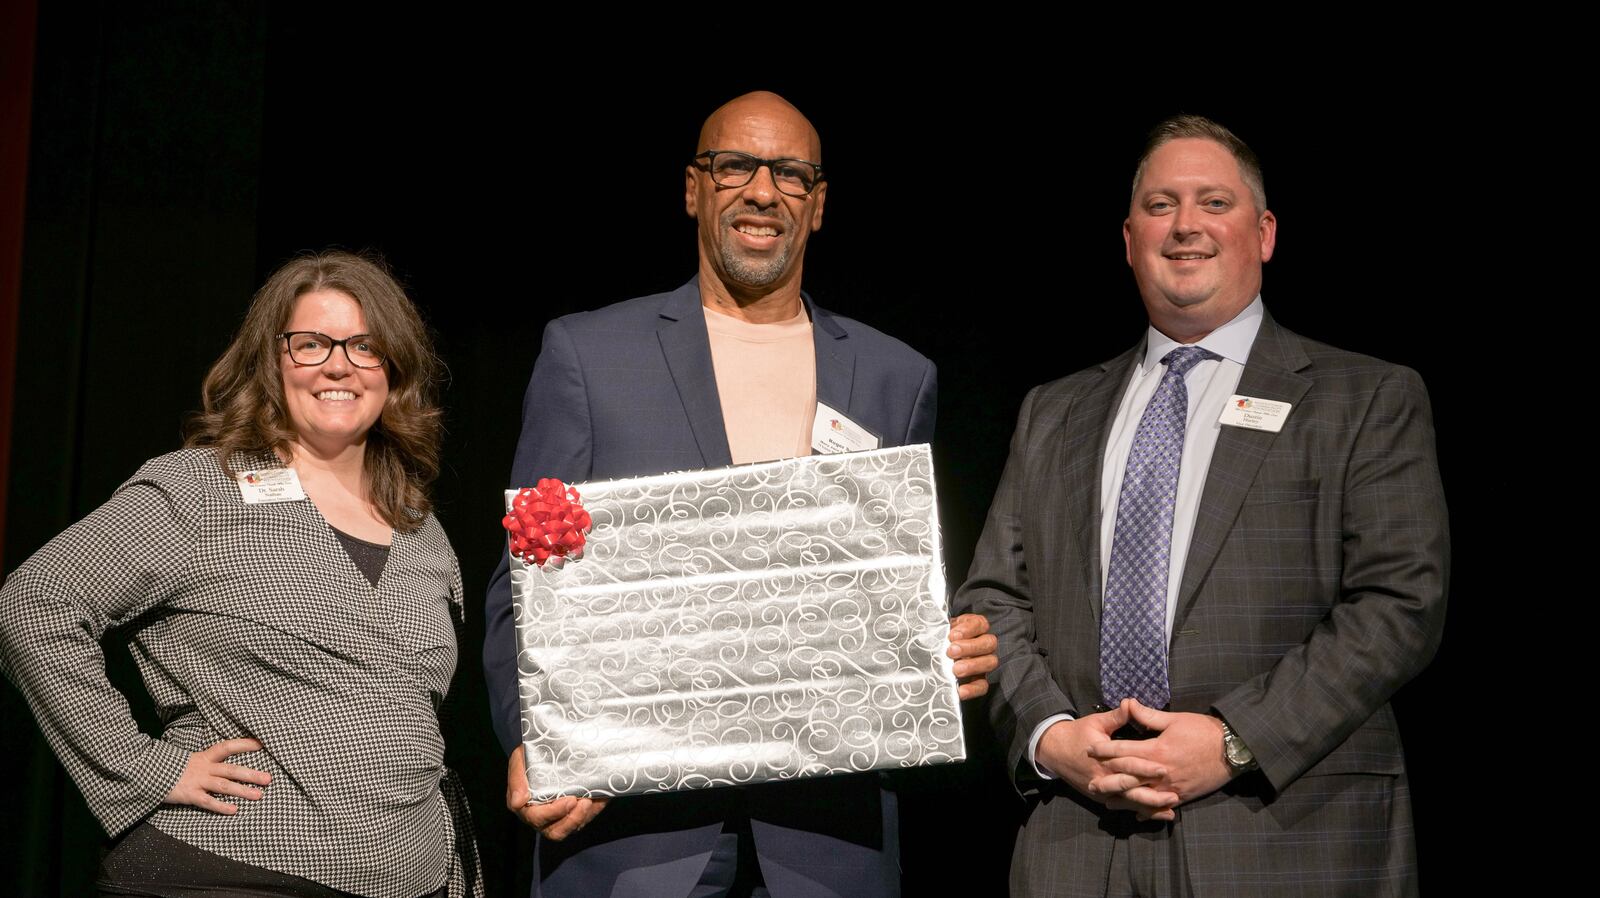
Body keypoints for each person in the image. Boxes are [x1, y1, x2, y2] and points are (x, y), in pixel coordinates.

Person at [483, 91, 997, 898]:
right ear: (694, 188)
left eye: (790, 174)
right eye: (735, 166)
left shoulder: (896, 375)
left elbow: (894, 585)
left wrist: (947, 643)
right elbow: (523, 582)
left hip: (828, 840)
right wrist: (534, 737)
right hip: (634, 832)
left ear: (817, 204)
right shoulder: (589, 354)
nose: (762, 191)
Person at [955, 115, 1448, 897]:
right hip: (1078, 844)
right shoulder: (1052, 411)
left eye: (1213, 202)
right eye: (1160, 205)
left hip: (1285, 835)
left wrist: (1233, 742)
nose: (1185, 225)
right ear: (1127, 239)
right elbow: (993, 602)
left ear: (1266, 233)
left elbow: (1399, 604)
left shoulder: (1365, 397)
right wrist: (1052, 737)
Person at [0, 251, 481, 898]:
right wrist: (141, 766)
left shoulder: (419, 528)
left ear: (393, 369)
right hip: (235, 868)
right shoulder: (202, 489)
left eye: (364, 346)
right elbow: (36, 603)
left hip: (410, 873)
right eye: (311, 344)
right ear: (271, 361)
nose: (338, 364)